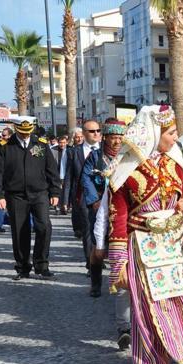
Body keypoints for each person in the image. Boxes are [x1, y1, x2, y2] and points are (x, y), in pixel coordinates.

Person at [107, 105, 183, 364]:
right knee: (145, 318)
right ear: (153, 133)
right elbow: (119, 219)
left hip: (174, 251)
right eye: (169, 133)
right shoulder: (125, 170)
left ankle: (172, 360)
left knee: (174, 309)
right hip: (142, 250)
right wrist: (119, 263)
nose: (174, 137)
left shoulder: (176, 164)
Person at [0, 119, 60, 280]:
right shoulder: (5, 146)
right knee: (19, 231)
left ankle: (42, 264)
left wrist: (54, 192)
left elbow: (51, 169)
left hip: (39, 193)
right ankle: (23, 267)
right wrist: (0, 195)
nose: (25, 135)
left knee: (44, 226)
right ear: (16, 129)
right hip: (15, 194)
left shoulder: (40, 144)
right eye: (22, 132)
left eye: (28, 132)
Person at [81, 119, 125, 298]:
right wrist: (94, 202)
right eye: (113, 137)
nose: (116, 142)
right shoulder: (95, 157)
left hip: (122, 209)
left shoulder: (128, 157)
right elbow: (86, 179)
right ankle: (96, 284)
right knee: (98, 248)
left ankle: (123, 283)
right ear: (105, 138)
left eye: (120, 138)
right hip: (100, 207)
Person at [64, 121, 101, 257]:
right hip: (83, 197)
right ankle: (91, 263)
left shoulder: (105, 150)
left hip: (104, 196)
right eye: (92, 131)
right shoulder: (74, 152)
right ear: (84, 134)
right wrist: (65, 199)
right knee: (88, 229)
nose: (96, 133)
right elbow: (69, 176)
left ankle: (102, 256)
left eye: (98, 130)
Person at [51, 135, 69, 214]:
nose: (62, 144)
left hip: (66, 173)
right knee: (57, 190)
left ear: (67, 142)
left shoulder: (69, 150)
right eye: (61, 143)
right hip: (56, 173)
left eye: (64, 143)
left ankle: (64, 206)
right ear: (58, 143)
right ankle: (57, 207)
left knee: (65, 190)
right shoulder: (53, 150)